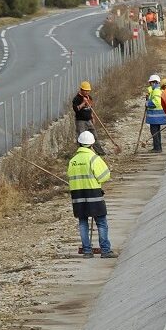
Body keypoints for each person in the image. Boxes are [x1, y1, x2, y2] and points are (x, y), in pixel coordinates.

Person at [67, 131, 118, 259]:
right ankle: (105, 251)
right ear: (92, 144)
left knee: (83, 222)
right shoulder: (94, 158)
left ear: (79, 143)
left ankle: (87, 251)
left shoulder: (73, 161)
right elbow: (104, 176)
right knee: (101, 222)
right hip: (94, 194)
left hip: (78, 196)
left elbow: (70, 177)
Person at [71, 81, 105, 155]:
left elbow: (90, 108)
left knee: (94, 135)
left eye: (88, 90)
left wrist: (92, 117)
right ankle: (81, 153)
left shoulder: (89, 97)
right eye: (85, 90)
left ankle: (100, 152)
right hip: (81, 122)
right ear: (81, 90)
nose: (87, 92)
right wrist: (83, 103)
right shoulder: (77, 99)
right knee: (81, 138)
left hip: (89, 120)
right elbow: (76, 109)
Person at [145, 74, 166, 153]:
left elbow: (156, 103)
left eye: (150, 83)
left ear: (154, 82)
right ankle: (157, 147)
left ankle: (157, 148)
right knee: (157, 131)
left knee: (154, 131)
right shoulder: (157, 90)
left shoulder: (157, 90)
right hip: (157, 116)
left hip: (156, 115)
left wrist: (147, 103)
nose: (150, 84)